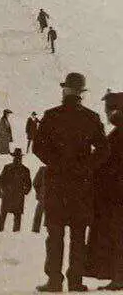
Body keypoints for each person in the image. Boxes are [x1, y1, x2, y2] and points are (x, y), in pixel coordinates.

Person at [33, 72, 109, 292]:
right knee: (78, 235)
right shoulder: (91, 118)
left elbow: (38, 147)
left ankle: (54, 281)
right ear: (81, 94)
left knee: (55, 235)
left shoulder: (51, 116)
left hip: (57, 183)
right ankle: (76, 281)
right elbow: (104, 150)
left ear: (65, 90)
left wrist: (55, 163)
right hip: (81, 185)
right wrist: (86, 166)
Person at [85, 91, 123, 290]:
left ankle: (118, 278)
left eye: (109, 110)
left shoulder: (116, 137)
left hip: (115, 197)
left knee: (116, 236)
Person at [0, 148, 31, 232]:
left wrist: (24, 191)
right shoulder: (8, 167)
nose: (18, 159)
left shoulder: (25, 170)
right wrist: (5, 189)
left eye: (19, 157)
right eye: (16, 157)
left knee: (16, 215)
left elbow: (28, 184)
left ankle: (15, 232)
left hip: (17, 195)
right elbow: (1, 180)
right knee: (4, 214)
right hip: (9, 194)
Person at [32, 165, 47, 233]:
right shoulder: (59, 169)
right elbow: (35, 183)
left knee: (39, 212)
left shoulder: (42, 169)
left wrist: (38, 193)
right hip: (52, 196)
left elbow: (35, 183)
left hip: (43, 195)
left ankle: (35, 229)